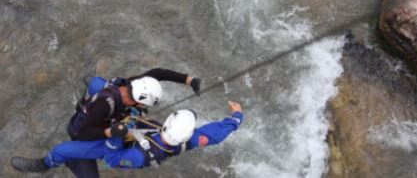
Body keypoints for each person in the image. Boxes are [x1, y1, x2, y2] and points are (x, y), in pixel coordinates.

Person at [27, 68, 200, 178]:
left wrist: (188, 80)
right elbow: (85, 133)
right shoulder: (106, 104)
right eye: (143, 106)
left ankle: (89, 88)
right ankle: (44, 165)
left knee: (96, 83)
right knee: (61, 151)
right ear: (139, 102)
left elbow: (157, 74)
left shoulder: (134, 85)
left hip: (98, 115)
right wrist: (110, 133)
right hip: (86, 132)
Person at [11, 101, 243, 172]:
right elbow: (215, 134)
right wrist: (236, 117)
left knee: (62, 150)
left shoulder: (140, 157)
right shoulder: (188, 140)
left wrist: (115, 137)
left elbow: (113, 160)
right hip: (132, 136)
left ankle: (43, 165)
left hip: (117, 148)